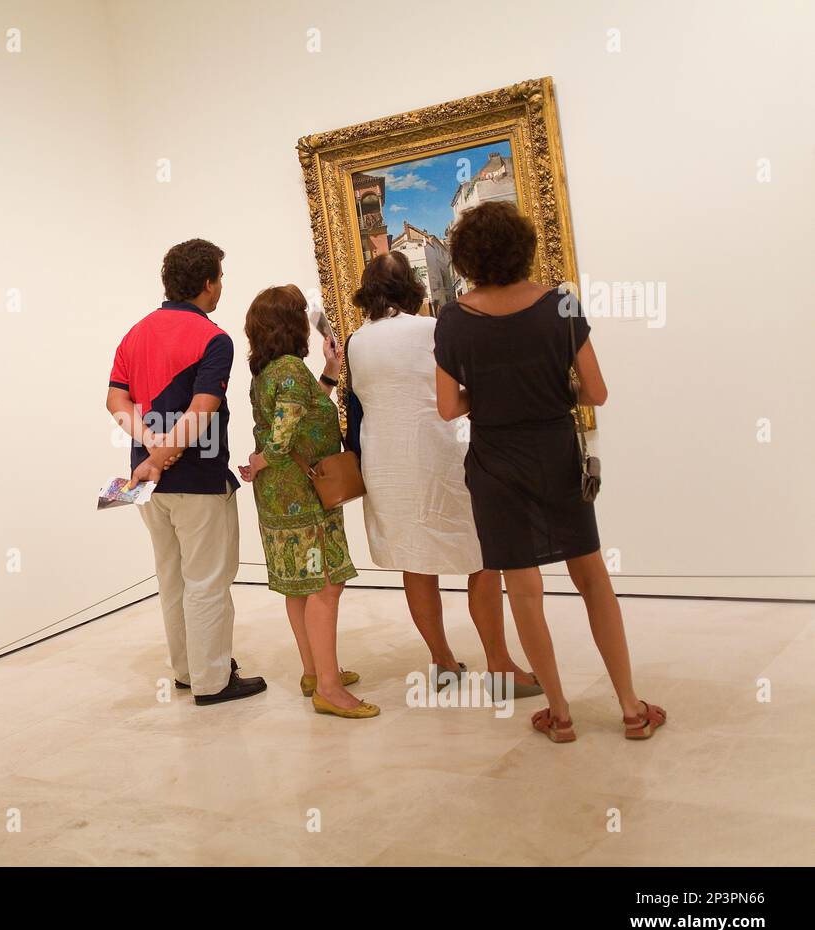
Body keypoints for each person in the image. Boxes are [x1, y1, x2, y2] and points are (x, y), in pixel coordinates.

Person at [434, 201, 666, 742]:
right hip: (556, 454)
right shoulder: (560, 303)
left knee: (524, 589)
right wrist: (555, 390)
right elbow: (597, 392)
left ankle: (560, 715)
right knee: (592, 580)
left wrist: (489, 394)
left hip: (494, 464)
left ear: (467, 257)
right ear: (523, 247)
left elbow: (448, 407)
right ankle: (631, 710)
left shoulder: (453, 319)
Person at [345, 251, 541, 699]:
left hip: (387, 465)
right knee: (481, 556)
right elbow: (472, 386)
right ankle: (500, 666)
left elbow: (357, 408)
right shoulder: (435, 330)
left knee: (415, 562)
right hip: (443, 457)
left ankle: (443, 661)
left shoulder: (357, 340)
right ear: (412, 286)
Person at [106, 239, 267, 706]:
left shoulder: (134, 333)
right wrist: (162, 455)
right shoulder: (214, 339)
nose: (220, 287)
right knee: (207, 581)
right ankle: (213, 681)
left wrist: (150, 450)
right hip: (196, 479)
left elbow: (116, 401)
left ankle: (186, 670)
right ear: (206, 284)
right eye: (219, 278)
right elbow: (201, 410)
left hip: (145, 484)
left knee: (172, 578)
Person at [240, 284, 376, 719]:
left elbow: (299, 411)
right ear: (290, 323)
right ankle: (330, 689)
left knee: (301, 585)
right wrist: (262, 458)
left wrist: (330, 370)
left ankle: (314, 671)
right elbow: (282, 438)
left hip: (281, 492)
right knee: (325, 583)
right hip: (303, 490)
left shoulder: (270, 371)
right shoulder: (290, 370)